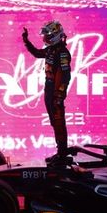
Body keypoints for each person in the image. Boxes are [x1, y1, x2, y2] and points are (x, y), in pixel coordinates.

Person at [22, 20, 72, 163]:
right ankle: (60, 152)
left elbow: (65, 76)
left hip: (55, 92)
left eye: (48, 35)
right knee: (54, 122)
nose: (44, 38)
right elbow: (38, 53)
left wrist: (59, 95)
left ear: (56, 35)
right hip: (48, 88)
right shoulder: (51, 49)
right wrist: (26, 41)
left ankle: (62, 154)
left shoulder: (62, 53)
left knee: (59, 122)